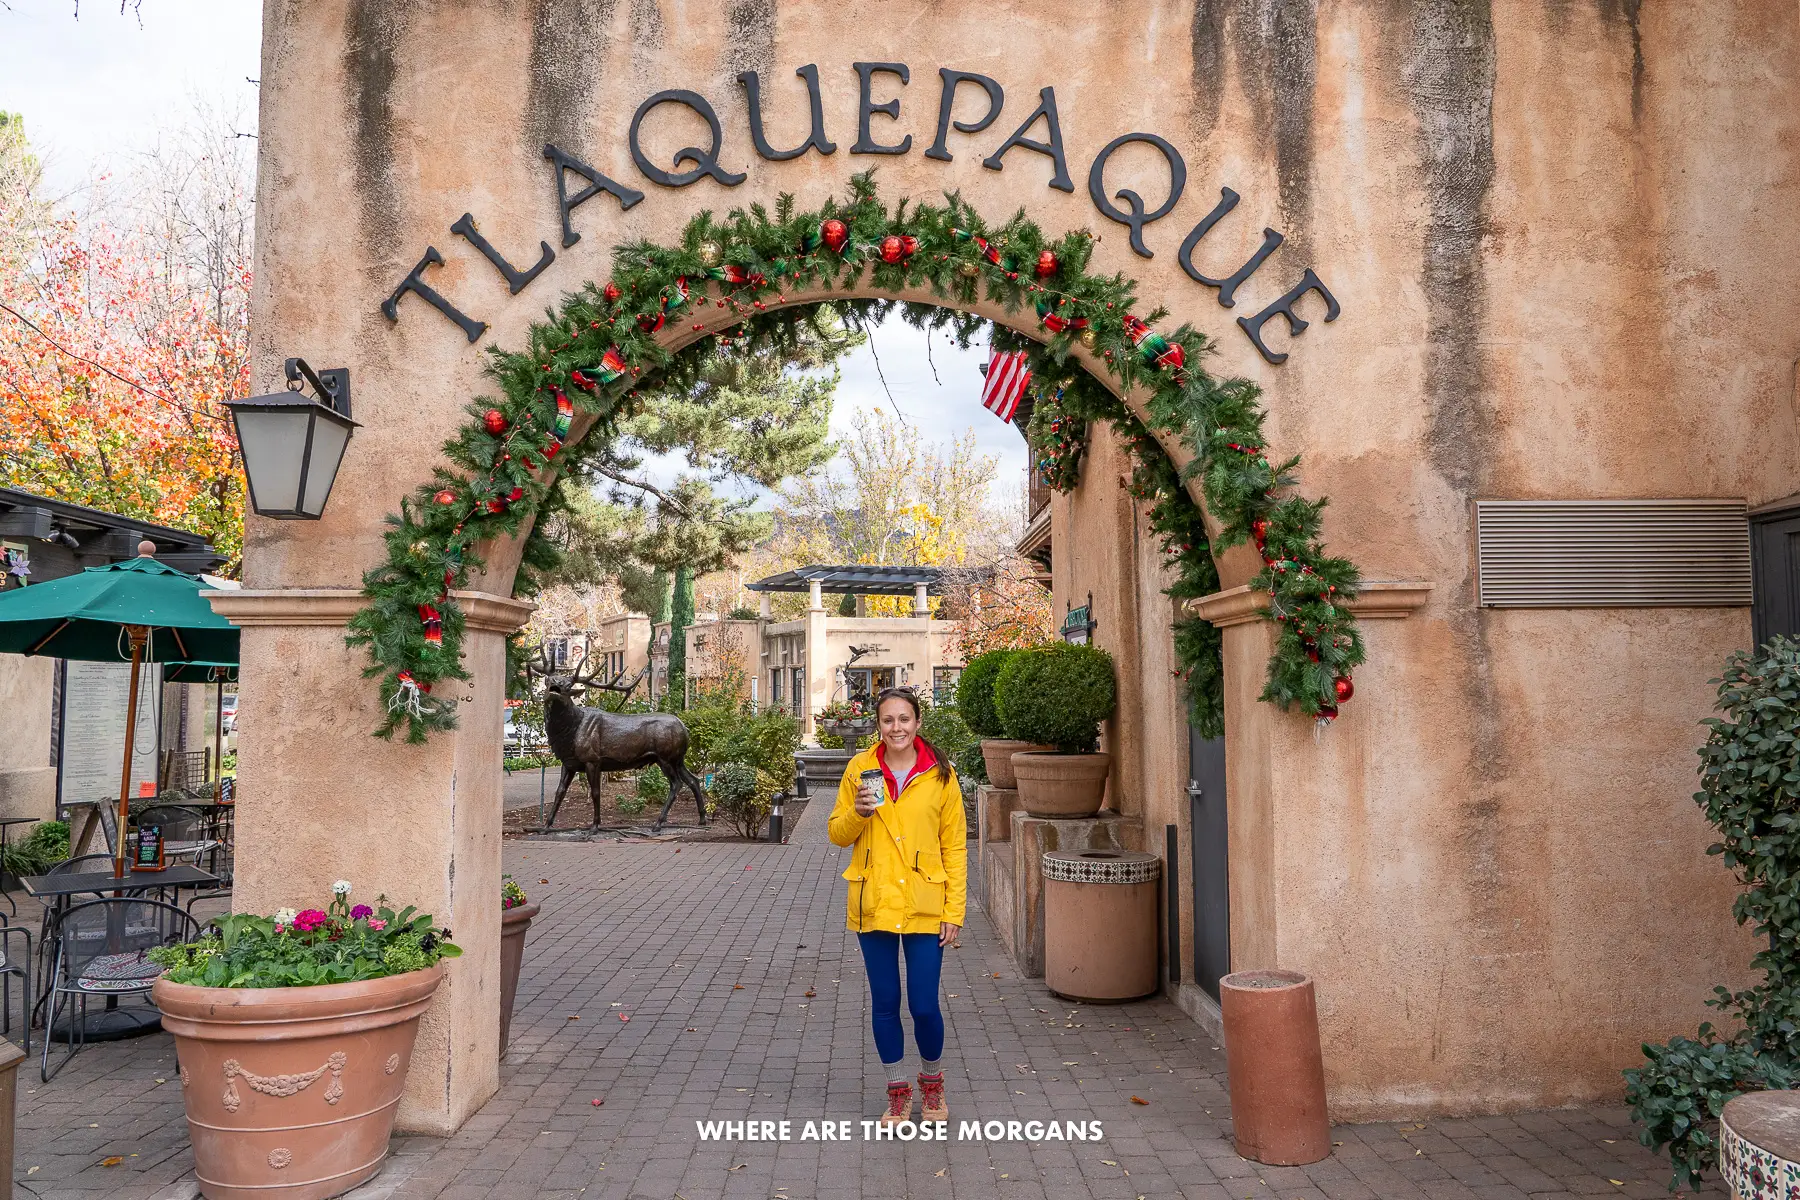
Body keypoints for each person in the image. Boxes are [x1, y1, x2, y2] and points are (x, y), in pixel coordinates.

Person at [828, 686, 967, 1125]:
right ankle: (897, 1092)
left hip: (927, 903)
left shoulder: (941, 775)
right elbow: (836, 832)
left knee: (924, 1004)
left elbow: (956, 848)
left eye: (904, 719)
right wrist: (859, 813)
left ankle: (933, 1085)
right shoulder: (859, 769)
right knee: (885, 1001)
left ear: (918, 722)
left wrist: (954, 911)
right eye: (888, 720)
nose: (896, 728)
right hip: (875, 901)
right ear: (878, 725)